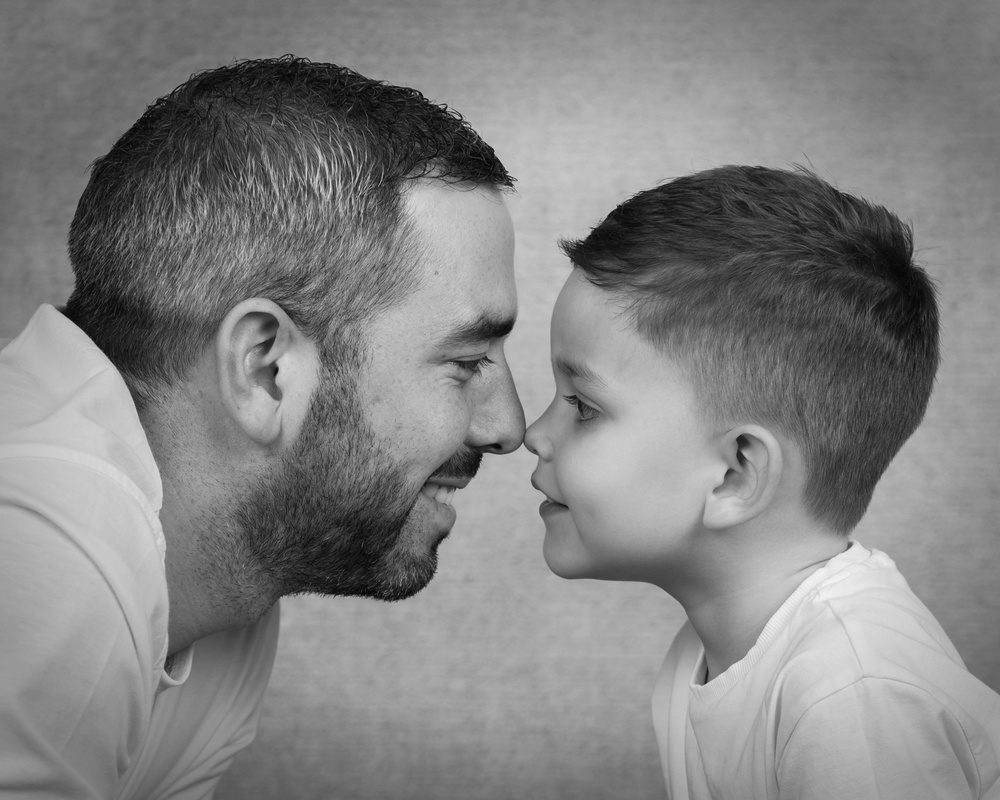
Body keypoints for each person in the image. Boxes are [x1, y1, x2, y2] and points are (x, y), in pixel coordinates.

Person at [0, 56, 524, 799]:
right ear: (265, 369)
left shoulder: (226, 587)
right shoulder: (36, 540)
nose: (508, 427)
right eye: (466, 362)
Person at [525, 166, 1000, 799]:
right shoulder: (708, 653)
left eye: (582, 406)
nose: (532, 433)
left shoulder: (851, 695)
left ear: (736, 473)